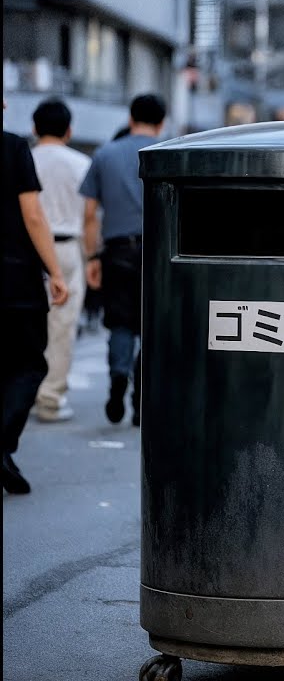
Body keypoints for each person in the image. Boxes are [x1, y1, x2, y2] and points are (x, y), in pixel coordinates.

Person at [81, 93, 167, 426]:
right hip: (160, 251)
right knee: (152, 325)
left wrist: (93, 256)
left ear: (130, 119)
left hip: (117, 250)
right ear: (160, 123)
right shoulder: (168, 151)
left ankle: (118, 376)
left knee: (120, 321)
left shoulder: (104, 154)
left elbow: (90, 215)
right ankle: (141, 398)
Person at [3, 101, 70, 494]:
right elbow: (32, 214)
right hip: (14, 278)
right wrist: (56, 271)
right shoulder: (12, 147)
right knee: (28, 365)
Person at [29, 98, 92, 422]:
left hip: (25, 248)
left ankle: (22, 393)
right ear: (69, 130)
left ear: (34, 128)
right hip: (67, 248)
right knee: (62, 326)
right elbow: (92, 214)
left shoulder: (24, 157)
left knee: (24, 325)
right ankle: (51, 399)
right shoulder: (81, 163)